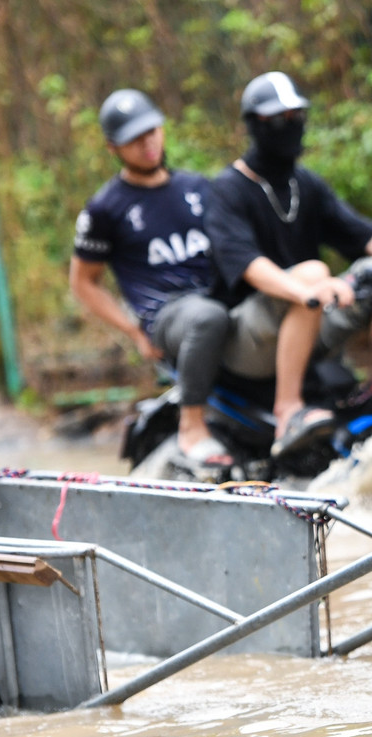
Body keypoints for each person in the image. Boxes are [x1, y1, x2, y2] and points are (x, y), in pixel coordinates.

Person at [205, 71, 372, 458]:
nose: (291, 127)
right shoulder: (228, 190)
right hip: (245, 338)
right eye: (279, 120)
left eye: (297, 116)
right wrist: (306, 290)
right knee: (316, 273)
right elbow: (248, 265)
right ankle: (288, 410)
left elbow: (366, 235)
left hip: (306, 319)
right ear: (255, 125)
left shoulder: (306, 185)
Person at [69, 88, 232, 472]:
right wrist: (133, 330)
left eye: (152, 132)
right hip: (168, 315)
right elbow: (83, 282)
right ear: (113, 148)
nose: (147, 144)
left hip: (217, 298)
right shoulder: (105, 209)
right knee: (207, 317)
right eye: (134, 139)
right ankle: (192, 427)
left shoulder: (198, 187)